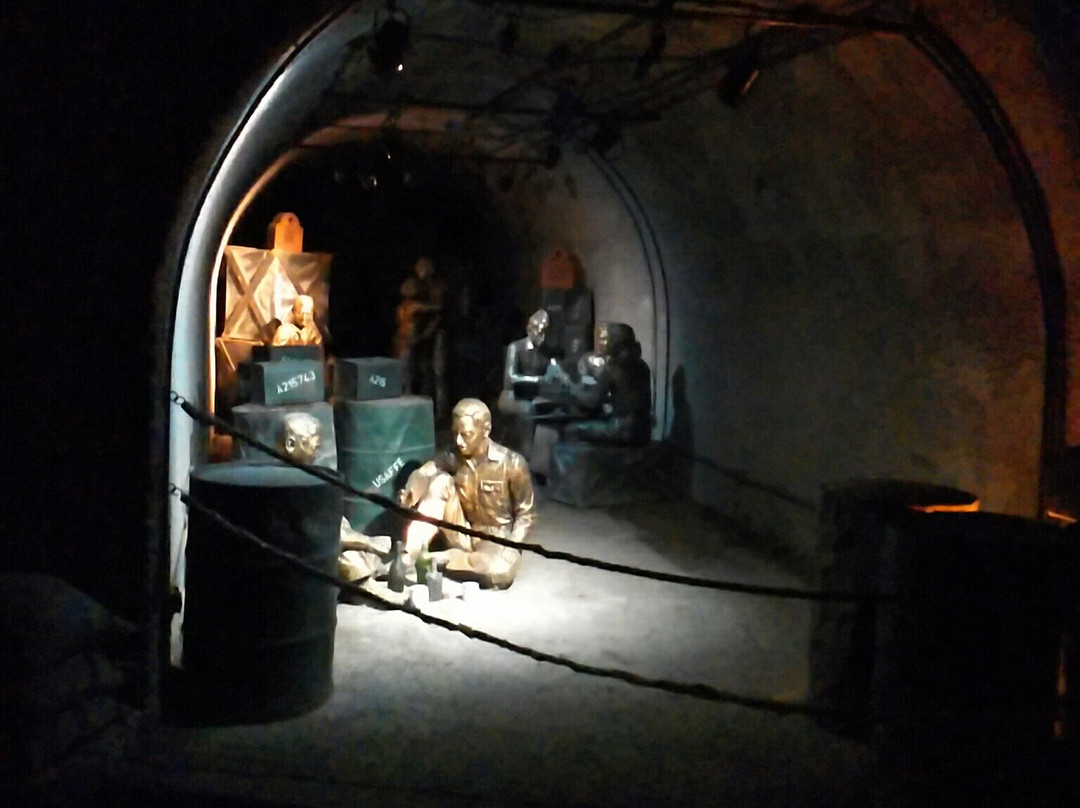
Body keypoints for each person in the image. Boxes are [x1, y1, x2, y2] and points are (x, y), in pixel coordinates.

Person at [398, 398, 535, 589]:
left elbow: (526, 515)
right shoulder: (453, 456)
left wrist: (513, 546)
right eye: (455, 433)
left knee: (499, 572)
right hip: (461, 531)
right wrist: (411, 491)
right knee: (440, 481)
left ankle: (440, 560)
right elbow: (426, 470)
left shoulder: (512, 464)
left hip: (494, 539)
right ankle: (410, 554)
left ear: (486, 429)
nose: (459, 441)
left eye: (466, 434)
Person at [564, 322, 652, 446]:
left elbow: (592, 401)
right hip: (644, 430)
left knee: (571, 429)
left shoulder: (613, 366)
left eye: (607, 339)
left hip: (622, 429)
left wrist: (572, 390)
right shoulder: (642, 365)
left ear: (614, 342)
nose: (604, 343)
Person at [496, 309, 567, 456]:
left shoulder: (547, 351)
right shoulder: (516, 348)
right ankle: (527, 453)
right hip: (512, 396)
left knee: (561, 406)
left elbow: (556, 370)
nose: (543, 338)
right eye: (540, 333)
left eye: (546, 333)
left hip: (534, 396)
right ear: (529, 330)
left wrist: (566, 379)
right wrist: (538, 380)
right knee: (527, 409)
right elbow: (510, 379)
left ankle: (554, 455)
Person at [400, 257, 449, 420]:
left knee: (437, 373)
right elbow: (406, 293)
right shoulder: (414, 285)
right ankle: (411, 407)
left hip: (435, 334)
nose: (421, 269)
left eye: (425, 266)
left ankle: (440, 412)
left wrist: (425, 332)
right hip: (417, 337)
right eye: (419, 266)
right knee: (414, 371)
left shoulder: (437, 287)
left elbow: (439, 312)